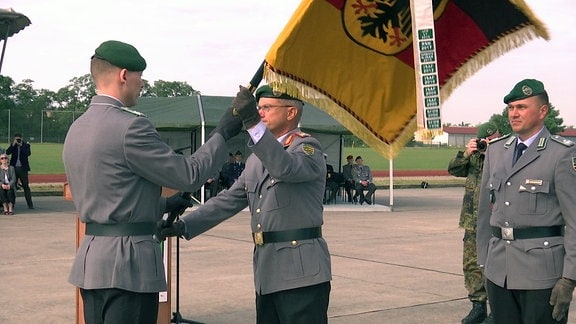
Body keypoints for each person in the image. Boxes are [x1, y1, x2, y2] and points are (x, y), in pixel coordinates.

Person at [62, 40, 256, 324]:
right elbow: (188, 175)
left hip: (93, 262)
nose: (142, 84)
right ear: (124, 75)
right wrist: (222, 134)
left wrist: (162, 203)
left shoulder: (77, 128)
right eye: (140, 76)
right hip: (128, 267)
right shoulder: (131, 126)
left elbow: (110, 191)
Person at [158, 84, 332, 324]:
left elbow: (284, 167)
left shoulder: (306, 148)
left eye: (267, 108)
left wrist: (251, 121)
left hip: (301, 273)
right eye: (257, 108)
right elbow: (229, 199)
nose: (260, 113)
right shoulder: (257, 159)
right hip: (268, 272)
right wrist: (185, 225)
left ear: (291, 113)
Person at [477, 79, 576, 324]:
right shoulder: (496, 150)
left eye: (521, 107)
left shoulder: (562, 153)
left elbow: (574, 221)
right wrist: (483, 262)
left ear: (543, 111)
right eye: (511, 108)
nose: (514, 113)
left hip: (541, 273)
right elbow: (483, 214)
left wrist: (569, 278)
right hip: (499, 270)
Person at [448, 122, 498, 324]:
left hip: (494, 221)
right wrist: (467, 153)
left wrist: (492, 155)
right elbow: (453, 169)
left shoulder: (504, 154)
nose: (487, 143)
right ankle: (478, 306)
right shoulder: (474, 157)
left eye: (491, 139)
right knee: (471, 264)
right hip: (471, 219)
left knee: (494, 267)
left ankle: (497, 309)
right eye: (484, 140)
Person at [6, 133, 33, 209]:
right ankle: (12, 204)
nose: (18, 140)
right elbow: (7, 152)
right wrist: (13, 145)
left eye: (19, 139)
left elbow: (28, 153)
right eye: (16, 139)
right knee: (13, 187)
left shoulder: (26, 145)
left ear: (22, 138)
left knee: (26, 187)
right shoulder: (13, 146)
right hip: (14, 169)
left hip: (23, 169)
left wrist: (21, 146)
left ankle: (30, 204)